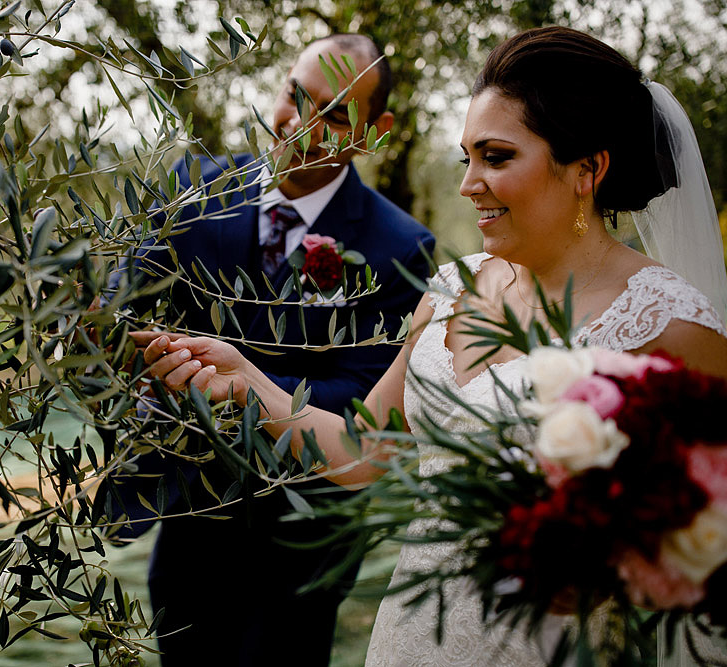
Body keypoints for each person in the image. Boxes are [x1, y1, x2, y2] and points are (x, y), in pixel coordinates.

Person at [134, 26, 727, 666]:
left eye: (497, 158)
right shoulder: (451, 287)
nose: (470, 182)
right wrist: (248, 380)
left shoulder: (669, 327)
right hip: (413, 635)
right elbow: (368, 453)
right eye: (467, 157)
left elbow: (703, 558)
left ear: (588, 168)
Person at [107, 34, 435, 666]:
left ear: (375, 130)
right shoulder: (191, 190)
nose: (302, 125)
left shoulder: (401, 247)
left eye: (336, 113)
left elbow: (369, 401)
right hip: (189, 515)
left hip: (305, 536)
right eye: (296, 96)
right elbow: (128, 308)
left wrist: (246, 386)